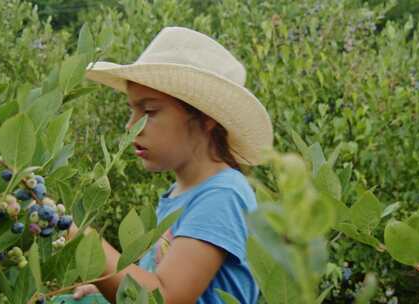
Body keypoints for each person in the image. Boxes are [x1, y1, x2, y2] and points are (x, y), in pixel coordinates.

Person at [67, 26, 273, 304]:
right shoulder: (182, 193)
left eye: (149, 111)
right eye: (132, 111)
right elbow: (156, 277)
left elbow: (163, 297)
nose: (132, 126)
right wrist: (104, 286)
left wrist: (74, 233)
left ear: (206, 118)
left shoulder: (224, 195)